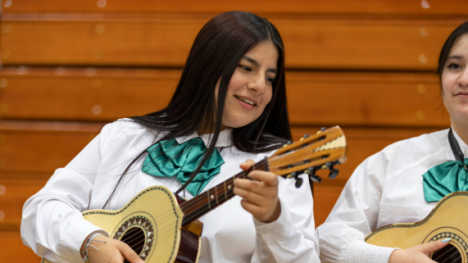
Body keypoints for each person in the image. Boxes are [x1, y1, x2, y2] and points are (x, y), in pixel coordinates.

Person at [21, 11, 320, 263]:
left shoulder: (276, 168)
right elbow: (41, 208)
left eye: (270, 78)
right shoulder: (126, 136)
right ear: (208, 66)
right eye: (246, 67)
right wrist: (90, 241)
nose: (259, 85)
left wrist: (274, 220)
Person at [317, 21, 468, 263]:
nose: (464, 78)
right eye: (454, 66)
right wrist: (391, 258)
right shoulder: (393, 162)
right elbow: (327, 240)